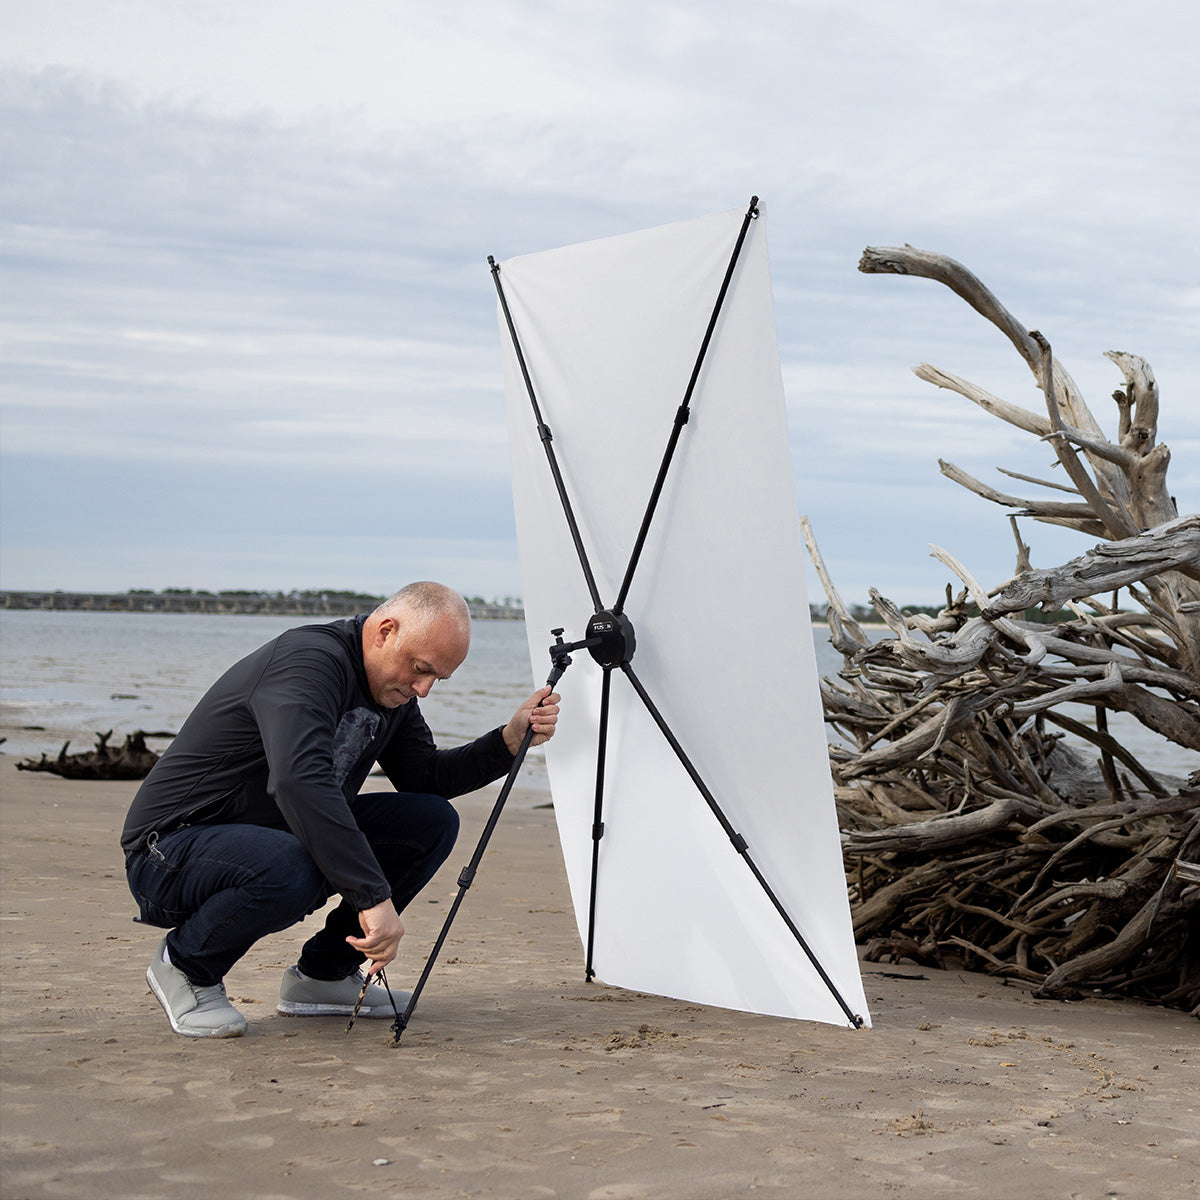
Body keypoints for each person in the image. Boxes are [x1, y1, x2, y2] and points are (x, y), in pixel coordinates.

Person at [120, 582, 560, 1038]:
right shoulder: (308, 663)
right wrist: (372, 897)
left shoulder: (392, 691)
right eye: (421, 669)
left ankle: (322, 977)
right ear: (385, 631)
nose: (424, 689)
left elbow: (425, 778)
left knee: (429, 822)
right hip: (170, 851)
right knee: (289, 863)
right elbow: (298, 780)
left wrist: (507, 741)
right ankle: (187, 966)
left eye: (437, 679)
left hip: (274, 840)